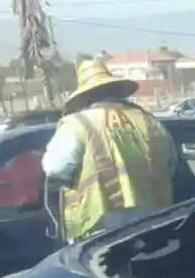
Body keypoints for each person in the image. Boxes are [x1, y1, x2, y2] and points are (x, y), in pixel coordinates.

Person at [43, 57, 177, 239]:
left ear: (85, 96)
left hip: (98, 222)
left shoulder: (78, 123)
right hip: (153, 220)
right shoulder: (149, 122)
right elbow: (171, 164)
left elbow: (55, 168)